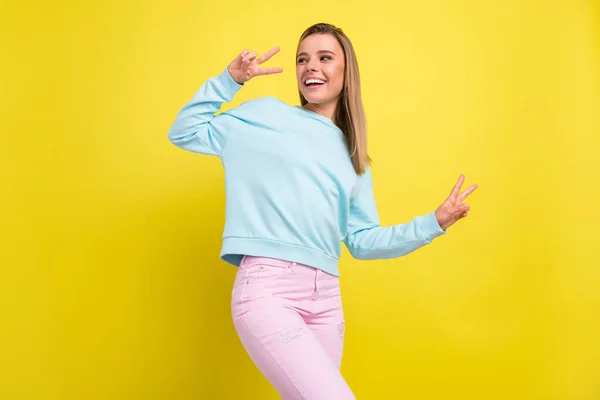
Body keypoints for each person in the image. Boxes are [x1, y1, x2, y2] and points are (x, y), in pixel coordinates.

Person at [167, 22, 477, 400]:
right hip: (269, 288)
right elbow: (185, 131)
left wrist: (434, 223)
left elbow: (362, 241)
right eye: (303, 59)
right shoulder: (264, 116)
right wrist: (228, 82)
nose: (310, 67)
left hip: (327, 298)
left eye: (324, 58)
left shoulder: (353, 156)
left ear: (347, 73)